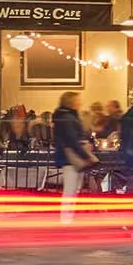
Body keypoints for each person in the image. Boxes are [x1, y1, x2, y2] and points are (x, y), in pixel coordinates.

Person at [51, 90, 97, 223]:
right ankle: (66, 219)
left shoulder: (66, 116)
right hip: (71, 157)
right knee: (71, 188)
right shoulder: (68, 118)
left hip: (69, 157)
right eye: (78, 100)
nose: (80, 102)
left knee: (72, 188)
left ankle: (68, 217)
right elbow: (72, 139)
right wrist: (85, 155)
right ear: (71, 102)